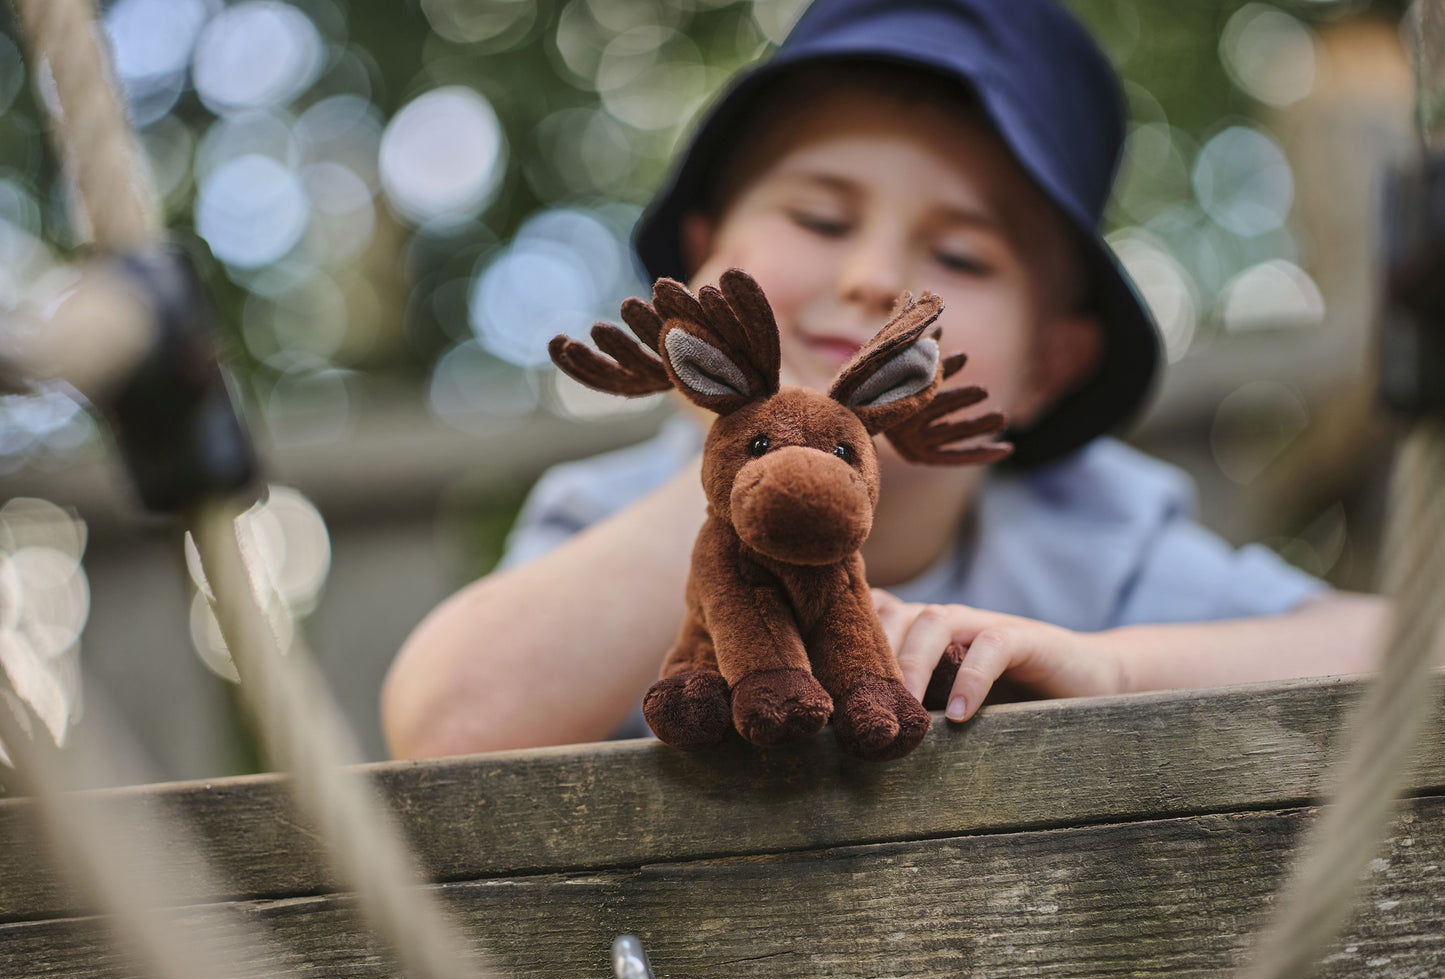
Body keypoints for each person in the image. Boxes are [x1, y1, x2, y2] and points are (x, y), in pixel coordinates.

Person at [382, 0, 1400, 760]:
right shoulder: (607, 512)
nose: (871, 275)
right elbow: (447, 725)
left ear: (1052, 364)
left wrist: (1120, 668)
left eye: (959, 258)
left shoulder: (1093, 540)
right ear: (699, 276)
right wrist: (743, 467)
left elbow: (1395, 649)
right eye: (819, 219)